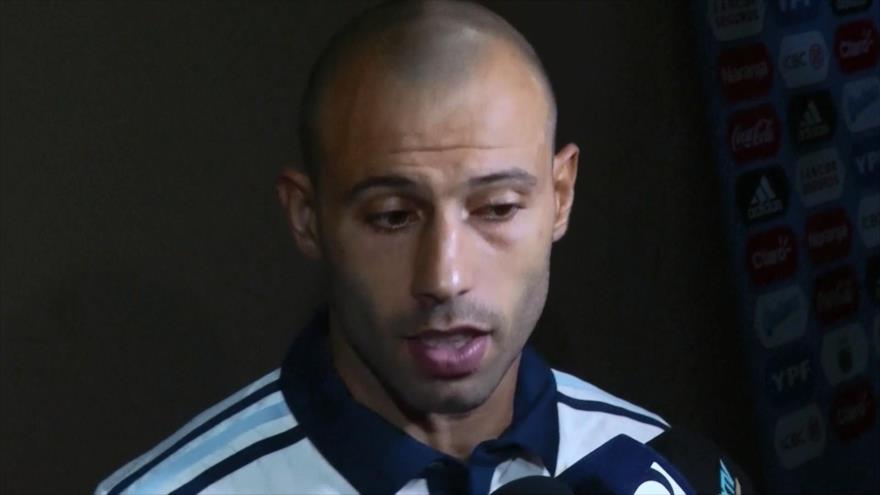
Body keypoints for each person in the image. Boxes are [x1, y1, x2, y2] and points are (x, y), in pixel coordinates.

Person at [97, 1, 750, 494]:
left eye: (496, 208)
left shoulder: (668, 468)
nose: (446, 275)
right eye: (392, 217)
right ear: (307, 217)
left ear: (561, 196)